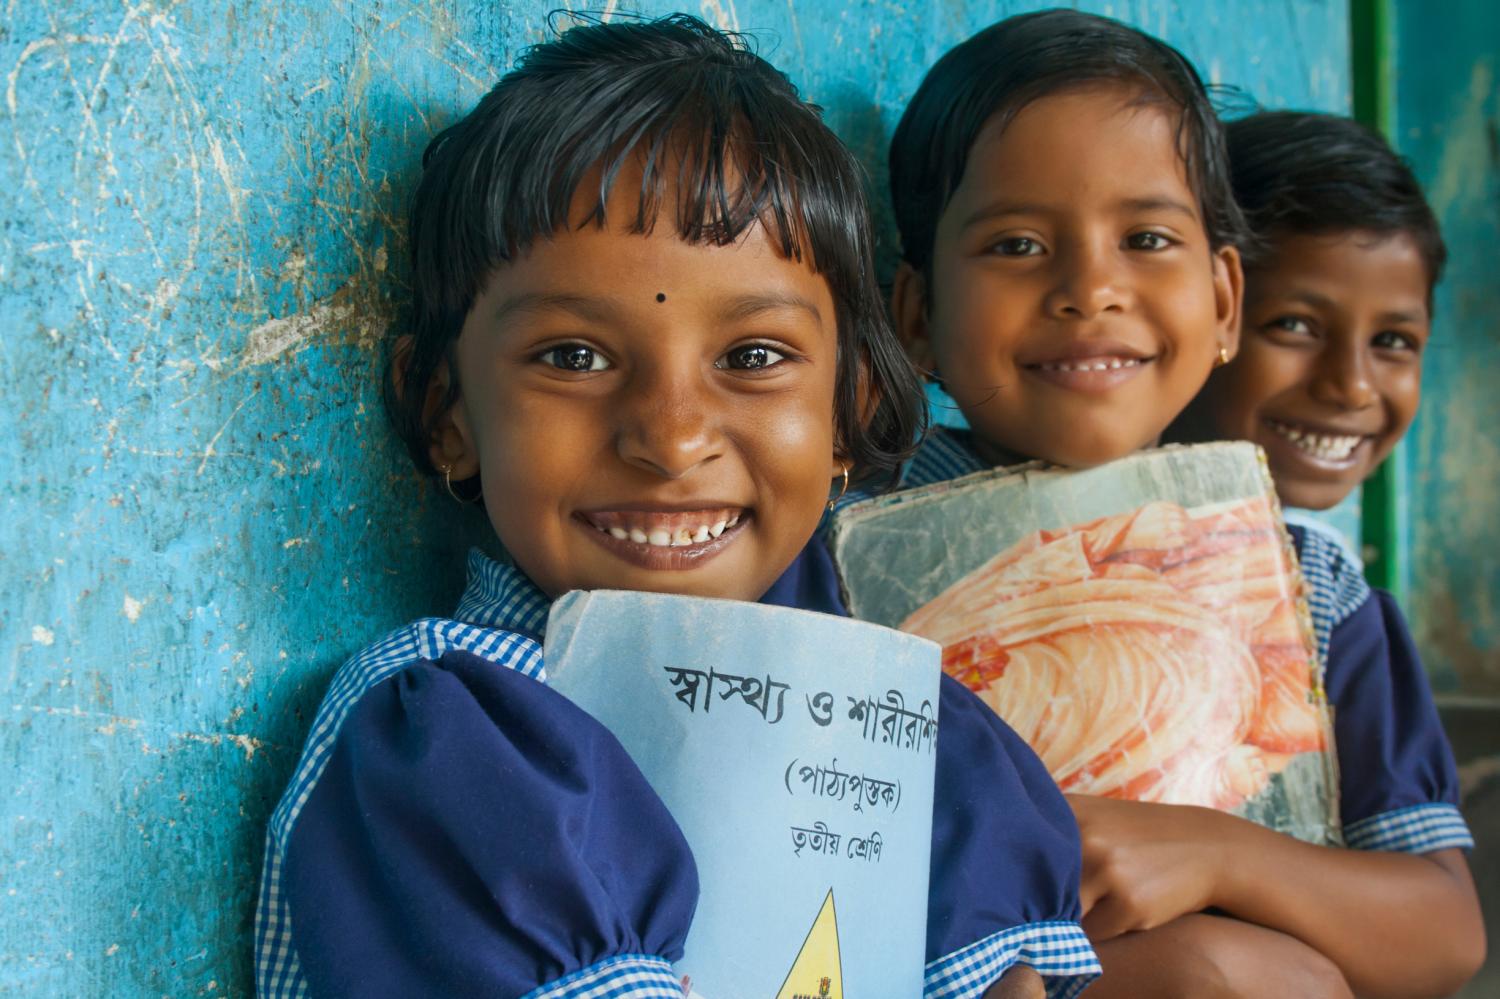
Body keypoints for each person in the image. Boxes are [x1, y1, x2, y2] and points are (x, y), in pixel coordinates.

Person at [255, 15, 1095, 999]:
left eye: (753, 357)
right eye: (573, 357)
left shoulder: (902, 739)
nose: (671, 435)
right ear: (448, 414)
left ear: (849, 410)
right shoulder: (454, 753)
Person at [881, 10, 1484, 998]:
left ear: (1224, 303)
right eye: (1019, 243)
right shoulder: (839, 567)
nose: (1091, 288)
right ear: (917, 317)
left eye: (1147, 237)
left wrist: (1219, 856)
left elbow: (1444, 936)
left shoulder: (1307, 587)